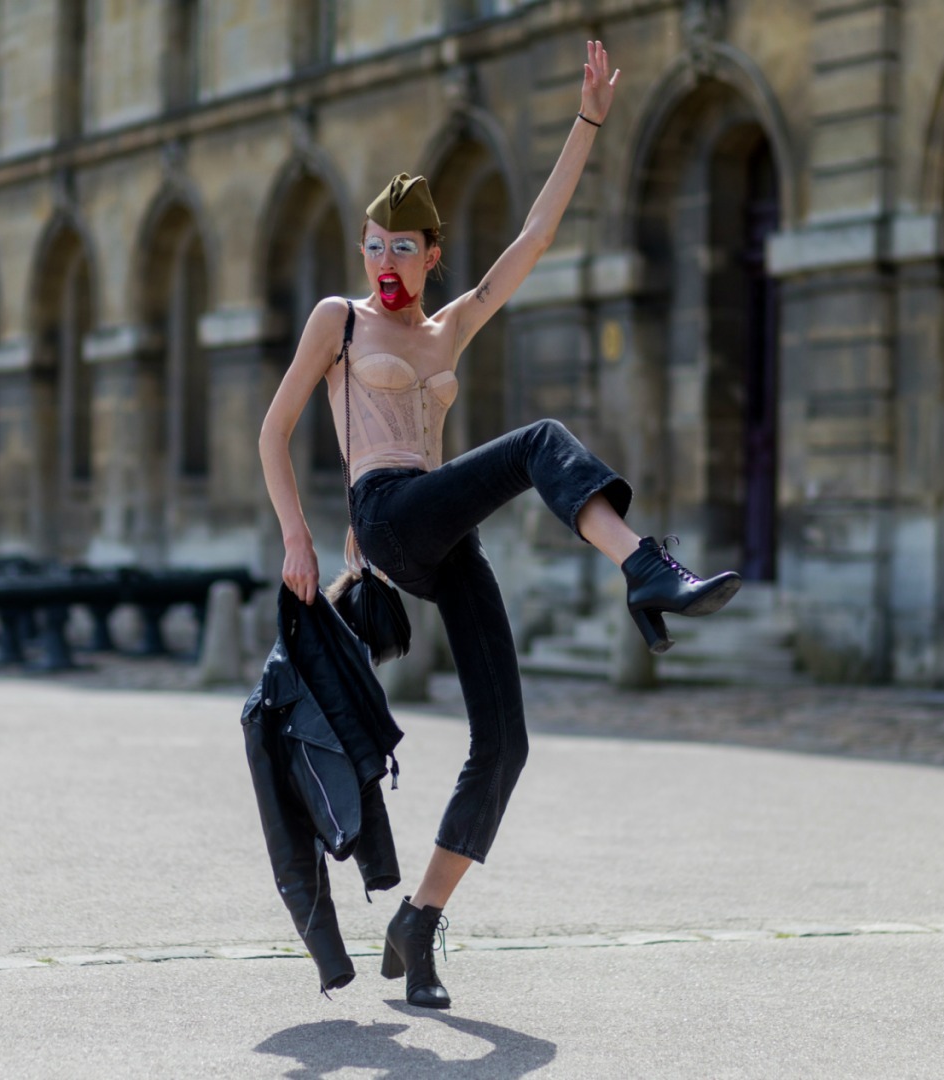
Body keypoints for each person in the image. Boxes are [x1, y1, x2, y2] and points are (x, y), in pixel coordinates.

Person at [258, 40, 740, 1009]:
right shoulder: (339, 321)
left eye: (404, 246)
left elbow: (533, 238)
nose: (386, 261)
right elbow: (275, 431)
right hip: (385, 513)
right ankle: (644, 566)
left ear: (433, 254)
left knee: (505, 744)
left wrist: (589, 123)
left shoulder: (449, 327)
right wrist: (297, 536)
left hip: (441, 539)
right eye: (374, 243)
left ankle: (420, 923)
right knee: (537, 443)